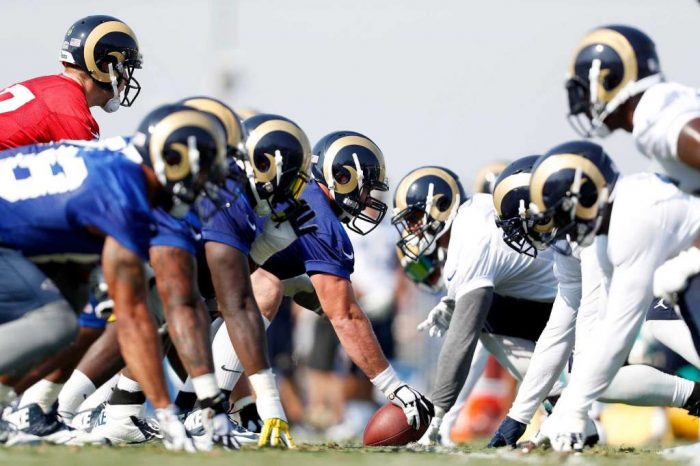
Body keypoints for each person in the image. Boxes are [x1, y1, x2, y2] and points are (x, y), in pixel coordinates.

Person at [0, 103, 229, 451]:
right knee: (55, 321)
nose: (203, 188)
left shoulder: (120, 170)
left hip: (16, 238)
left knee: (73, 303)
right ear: (175, 161)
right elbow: (134, 318)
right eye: (200, 175)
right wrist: (167, 415)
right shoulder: (124, 194)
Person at [214, 130, 435, 432]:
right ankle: (204, 411)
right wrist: (396, 387)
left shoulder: (303, 193)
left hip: (200, 260)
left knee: (275, 286)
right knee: (266, 289)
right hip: (201, 264)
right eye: (366, 188)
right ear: (342, 177)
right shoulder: (324, 224)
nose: (369, 198)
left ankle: (221, 409)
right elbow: (345, 316)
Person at [523, 140, 700, 453]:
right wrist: (566, 410)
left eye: (563, 215)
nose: (564, 230)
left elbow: (621, 329)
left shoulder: (631, 218)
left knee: (677, 284)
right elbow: (600, 330)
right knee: (662, 314)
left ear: (586, 194)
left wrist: (576, 409)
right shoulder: (606, 236)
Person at [0, 15, 142, 149]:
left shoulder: (45, 87)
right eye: (124, 68)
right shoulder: (70, 114)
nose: (126, 77)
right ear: (105, 67)